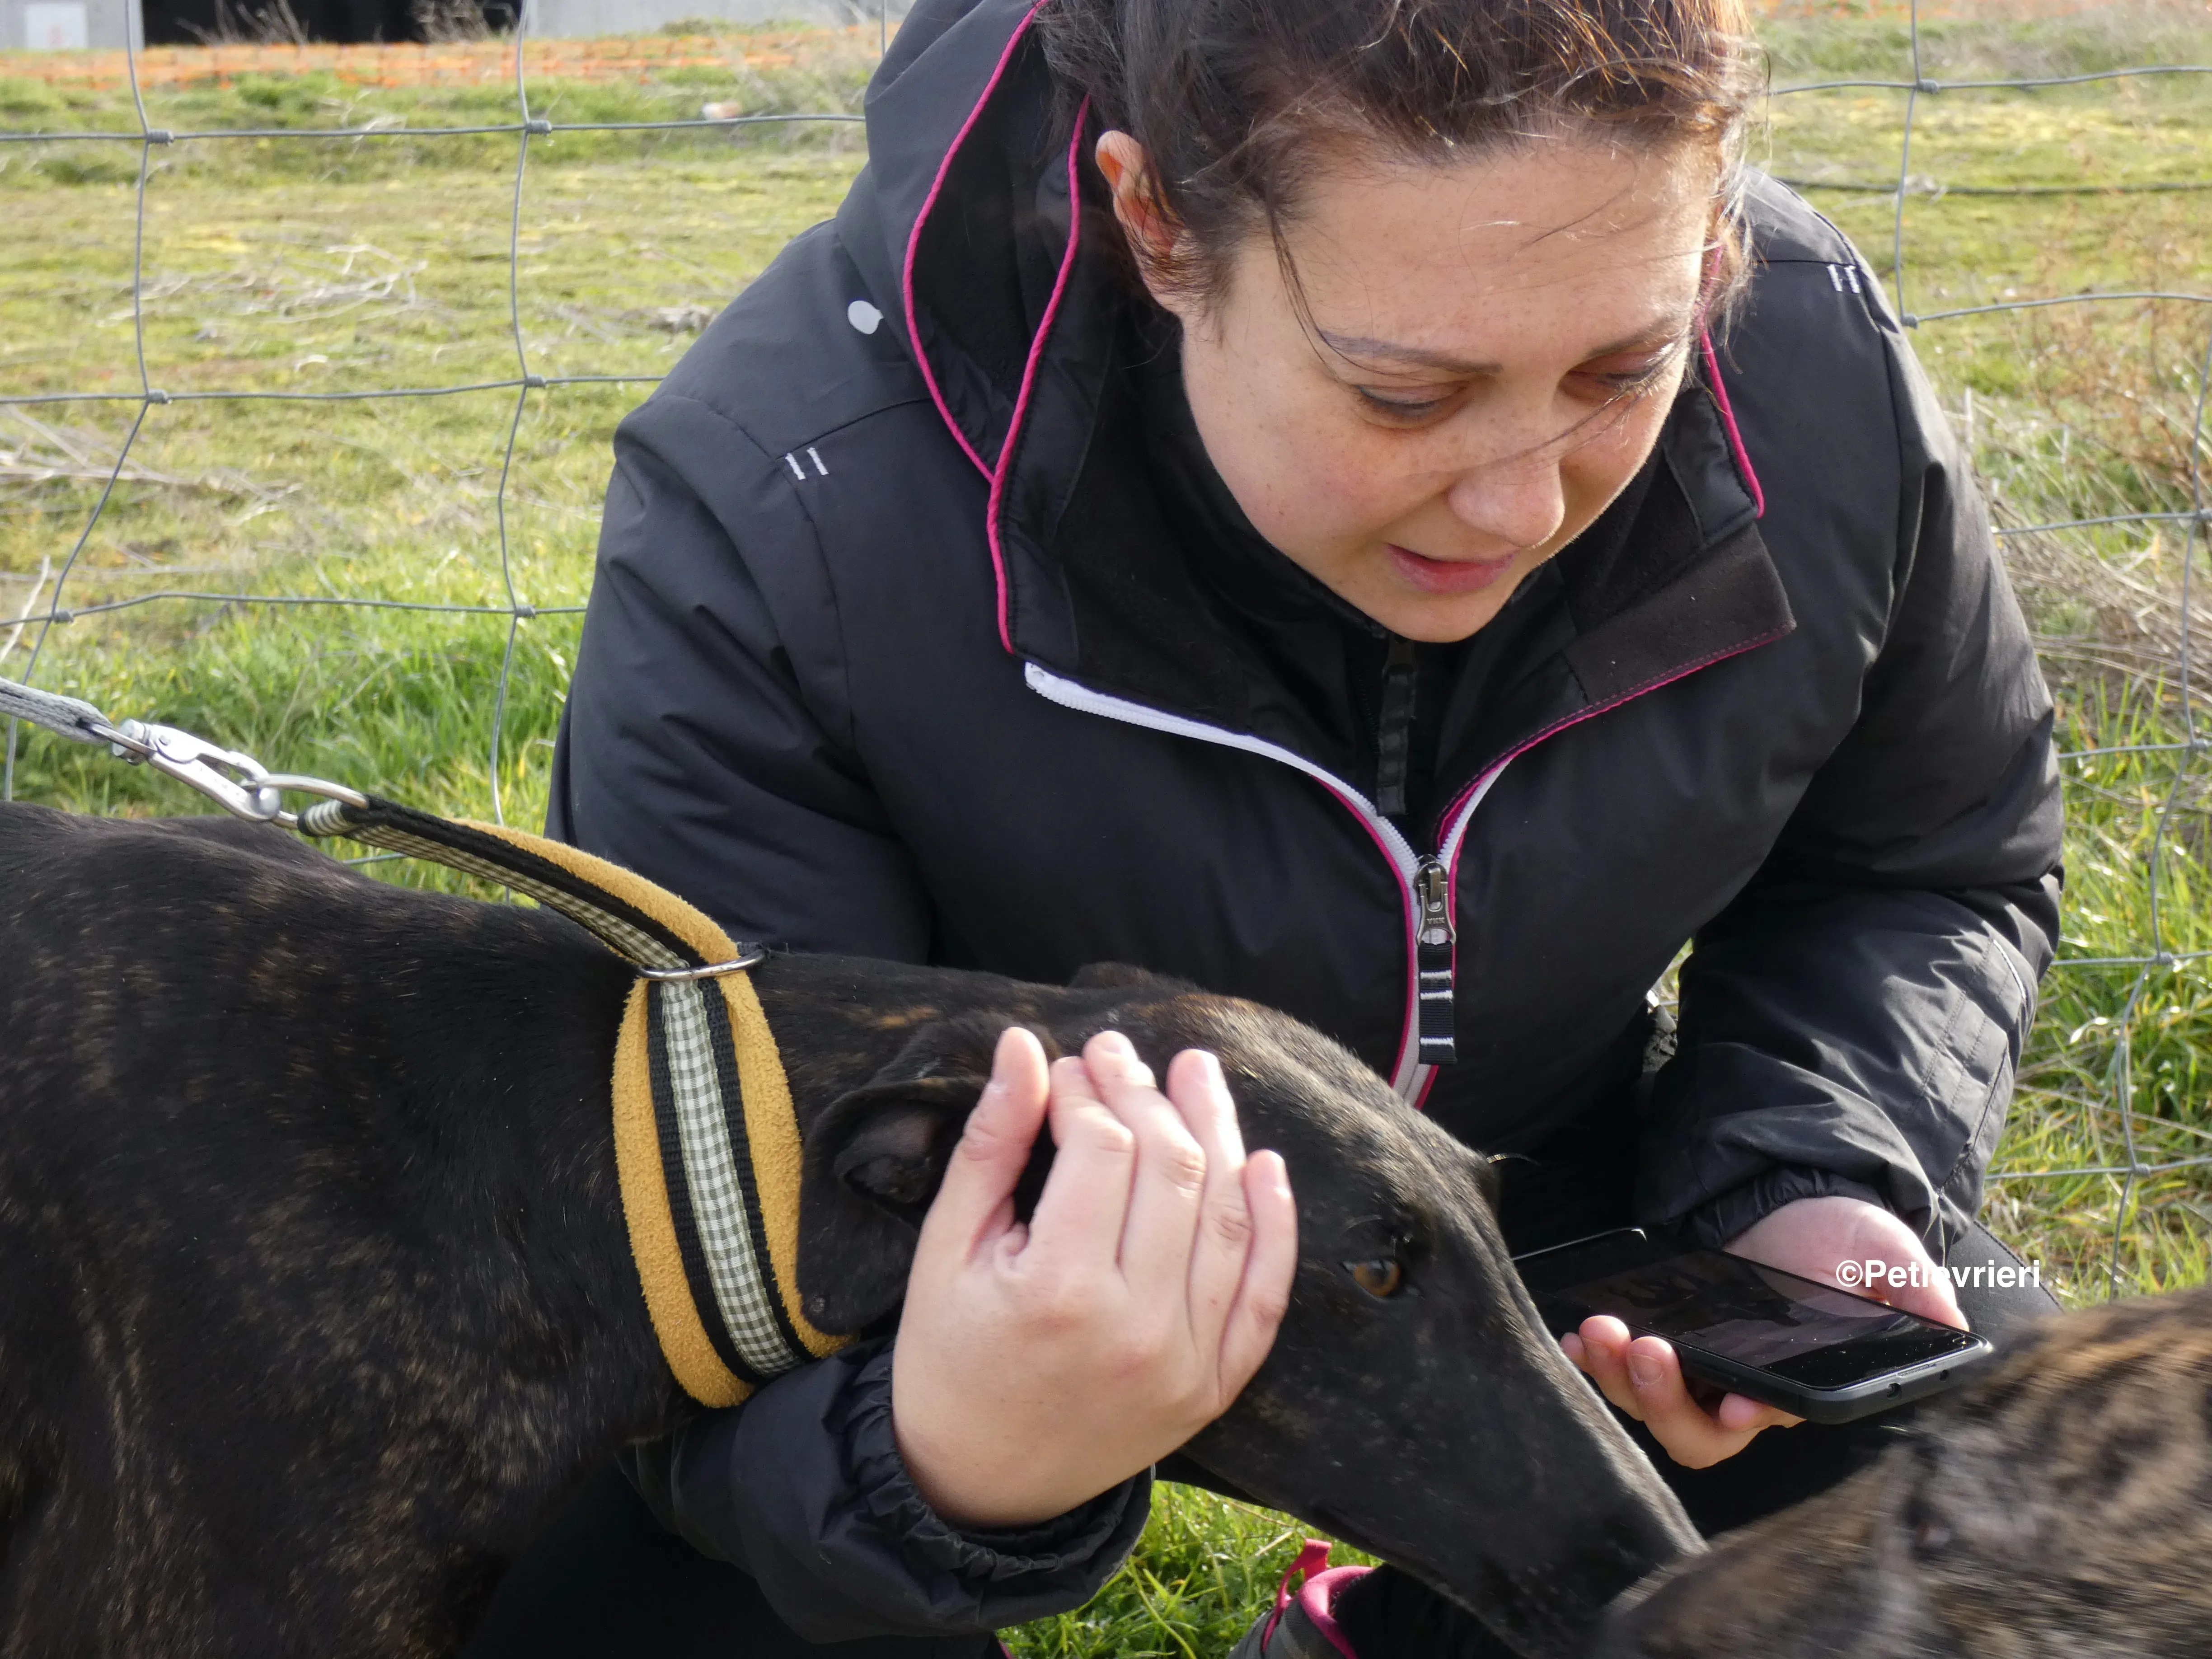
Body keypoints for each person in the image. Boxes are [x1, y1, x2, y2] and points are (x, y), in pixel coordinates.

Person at [463, 0, 2066, 1652]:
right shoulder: (788, 498)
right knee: (611, 1587)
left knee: (2005, 1468)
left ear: (1716, 222)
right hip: (949, 1299)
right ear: (1154, 224)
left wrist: (1805, 1170)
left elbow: (1922, 861)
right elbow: (688, 1224)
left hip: (1552, 1210)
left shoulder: (1808, 359)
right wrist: (939, 1456)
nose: (1525, 499)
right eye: (1404, 393)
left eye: (1623, 368)